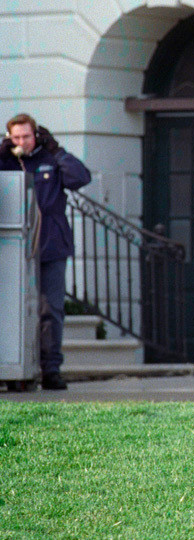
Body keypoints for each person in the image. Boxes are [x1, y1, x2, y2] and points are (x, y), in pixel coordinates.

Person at [1, 114, 91, 391]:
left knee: (50, 309)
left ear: (36, 136)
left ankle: (50, 368)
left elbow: (80, 178)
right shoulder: (6, 161)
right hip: (12, 251)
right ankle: (11, 364)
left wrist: (57, 151)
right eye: (15, 138)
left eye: (26, 137)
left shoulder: (49, 159)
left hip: (50, 244)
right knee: (11, 309)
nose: (21, 143)